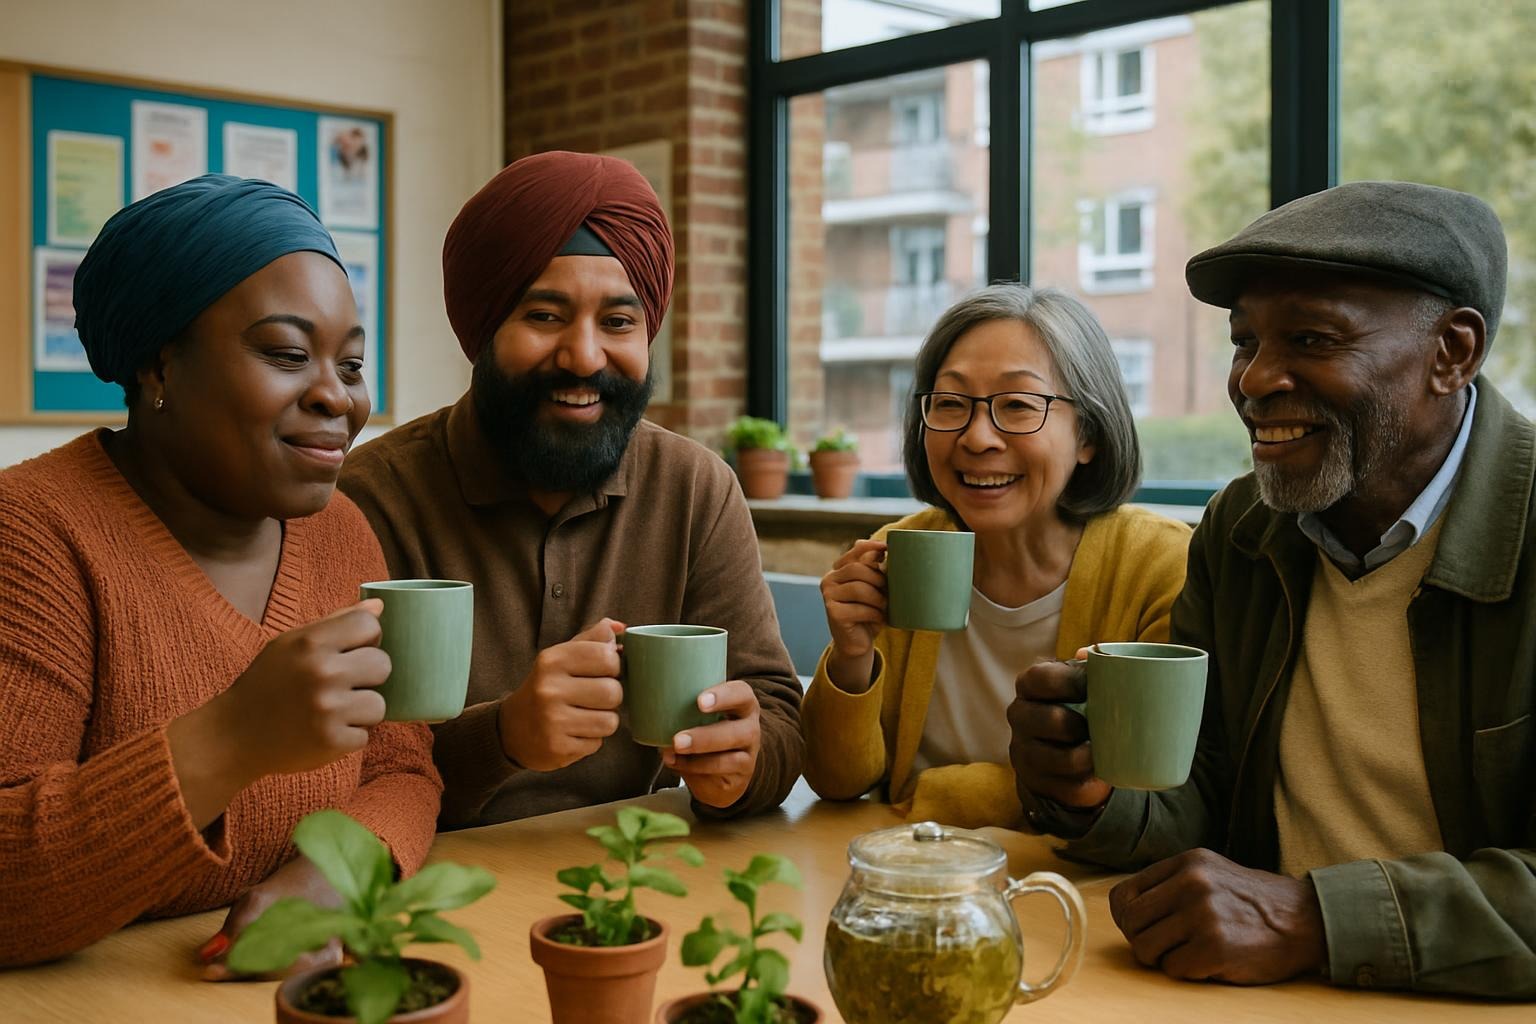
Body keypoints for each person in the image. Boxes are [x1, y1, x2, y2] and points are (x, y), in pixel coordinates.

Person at [1012, 181, 1536, 999]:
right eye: (1245, 341)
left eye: (1311, 339)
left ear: (1453, 352)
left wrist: (1314, 919)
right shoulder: (1244, 529)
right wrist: (1096, 793)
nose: (1255, 381)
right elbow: (1208, 790)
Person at [0, 176, 441, 969]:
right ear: (158, 366)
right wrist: (231, 738)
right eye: (286, 354)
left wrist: (345, 866)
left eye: (350, 365)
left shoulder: (342, 534)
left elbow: (403, 769)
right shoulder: (32, 534)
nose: (335, 398)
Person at [339, 151, 802, 828]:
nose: (585, 357)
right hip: (427, 887)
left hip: (639, 881)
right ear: (483, 329)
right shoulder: (372, 499)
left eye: (618, 323)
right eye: (545, 316)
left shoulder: (697, 489)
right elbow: (330, 769)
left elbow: (778, 712)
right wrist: (503, 739)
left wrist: (747, 761)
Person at [800, 284, 1191, 829]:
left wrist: (927, 797)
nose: (977, 437)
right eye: (951, 404)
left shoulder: (1160, 566)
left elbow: (1142, 797)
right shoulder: (899, 551)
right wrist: (851, 658)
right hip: (912, 885)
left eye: (1017, 406)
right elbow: (837, 782)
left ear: (1089, 434)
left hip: (1079, 894)